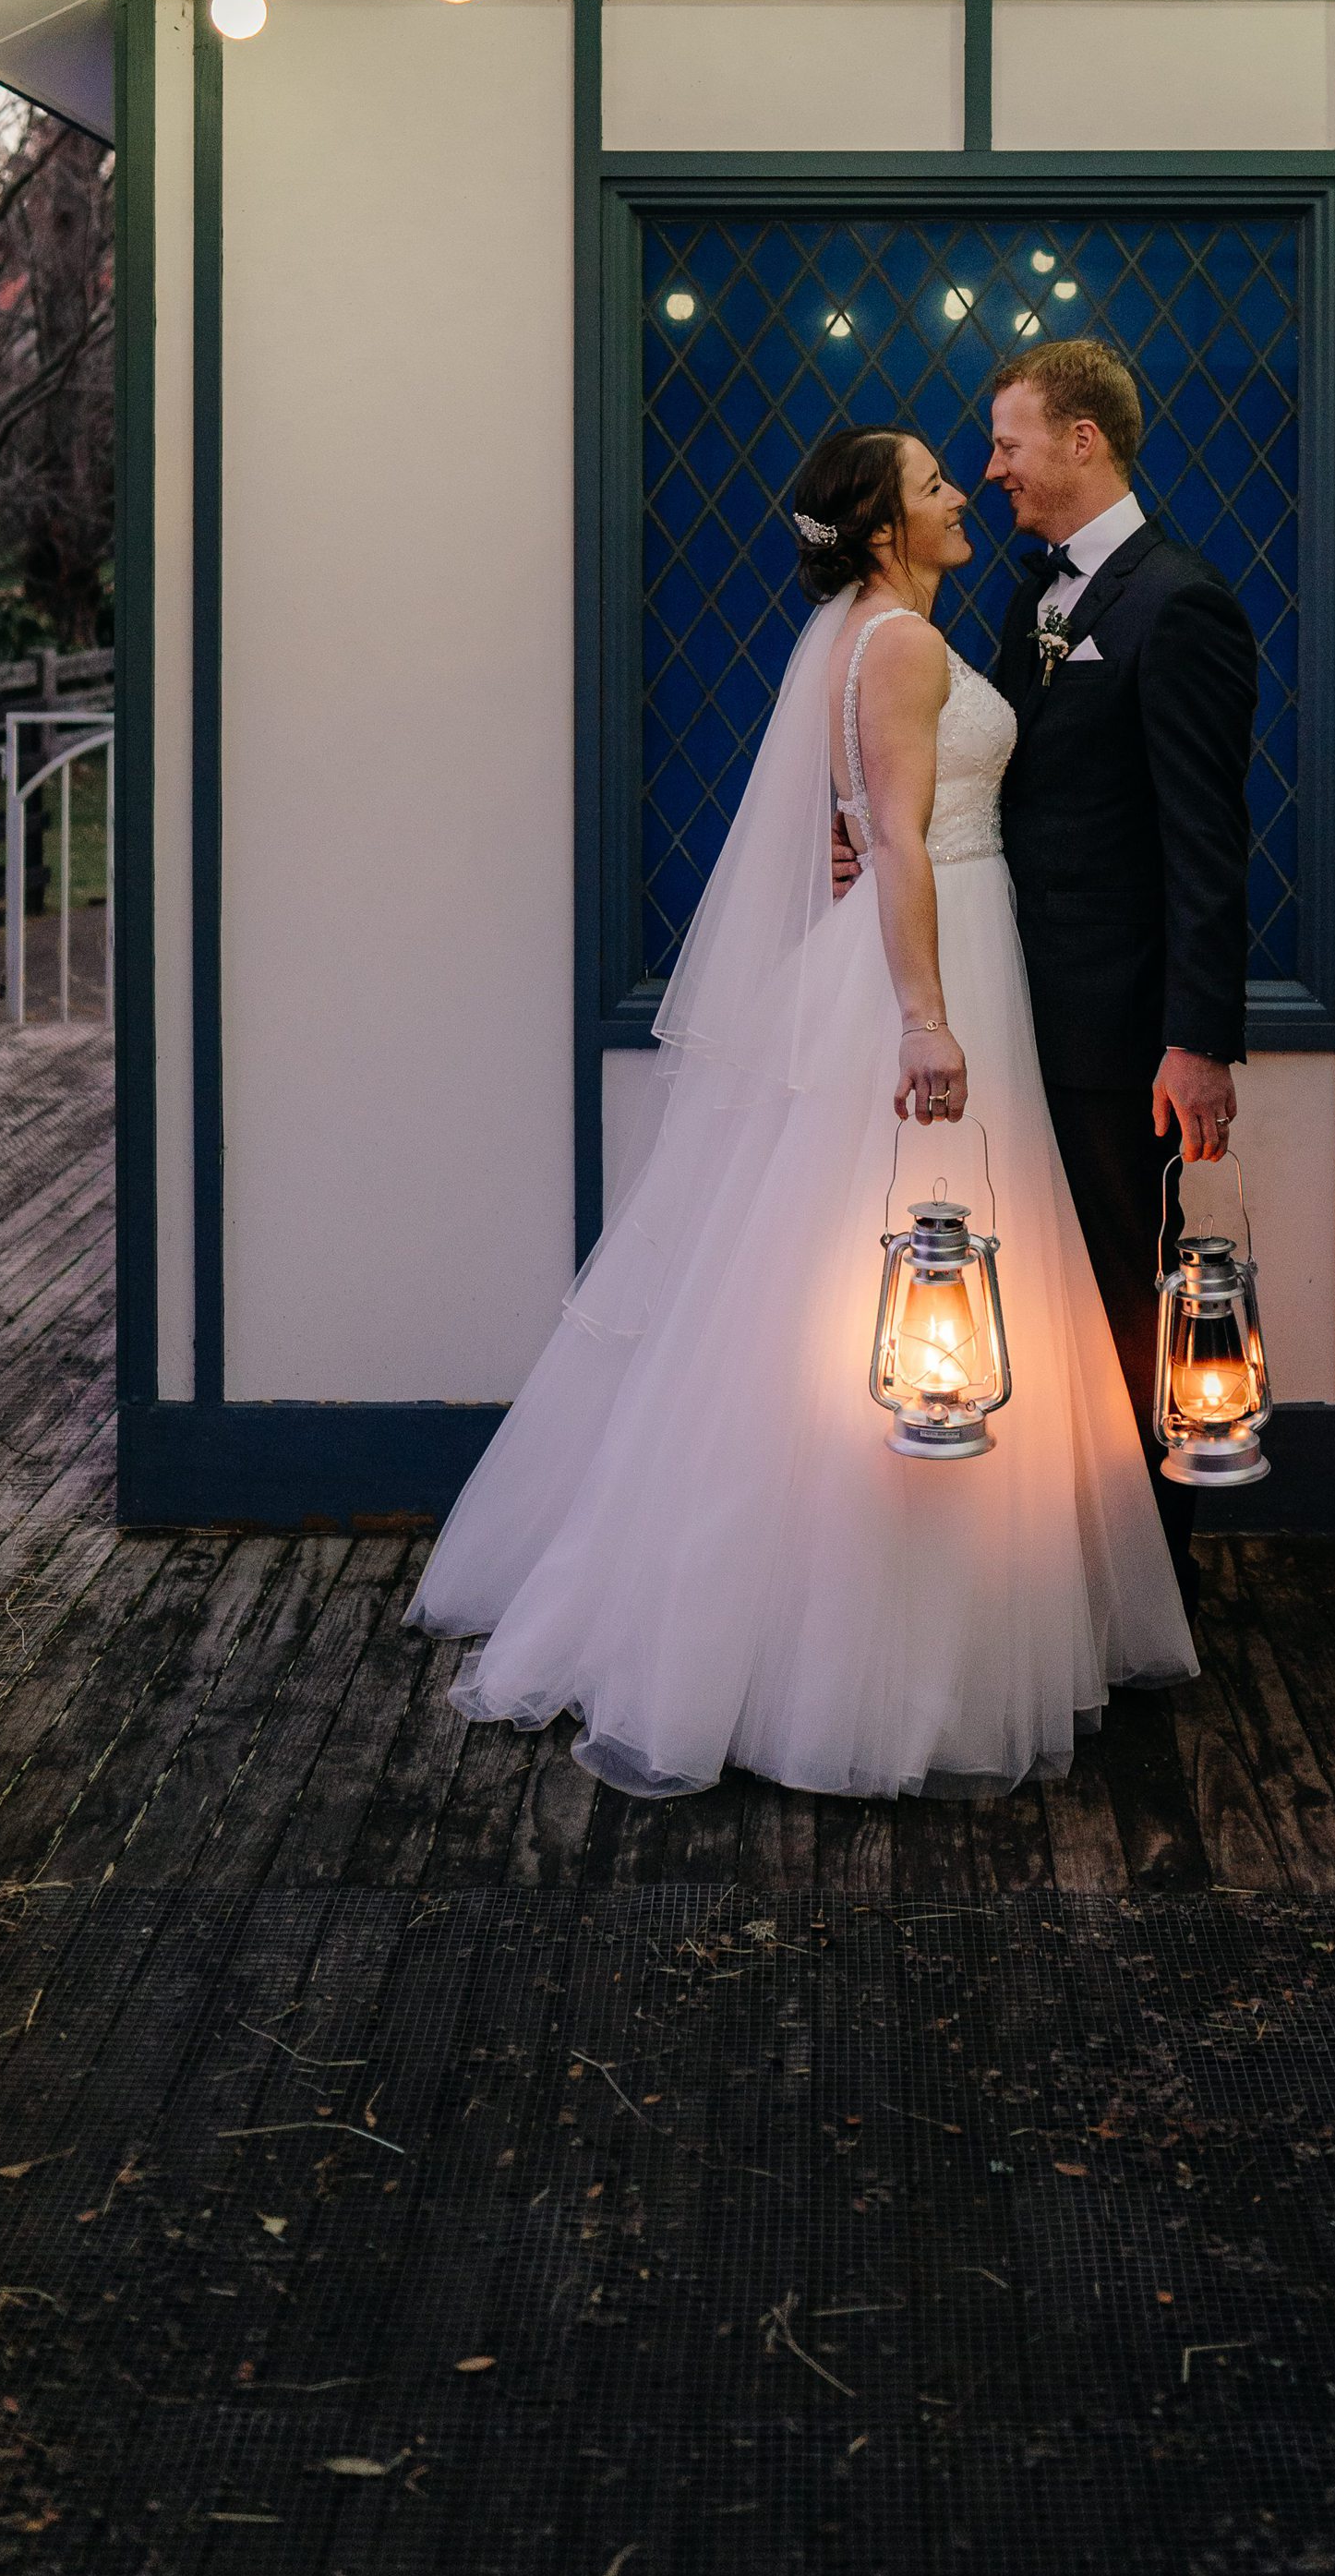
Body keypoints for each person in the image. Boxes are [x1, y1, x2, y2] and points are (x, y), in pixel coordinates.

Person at [407, 424, 1194, 1800]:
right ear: (886, 525)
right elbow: (895, 833)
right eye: (938, 484)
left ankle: (924, 1622)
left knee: (881, 1287)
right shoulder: (890, 644)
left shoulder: (882, 629)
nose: (964, 493)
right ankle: (875, 1653)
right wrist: (928, 1016)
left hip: (952, 948)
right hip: (935, 976)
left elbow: (878, 816)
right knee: (900, 1284)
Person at [979, 342, 1257, 1606]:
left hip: (1112, 1030)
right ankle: (1048, 1551)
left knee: (1120, 1292)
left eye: (1012, 443)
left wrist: (1196, 1037)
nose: (995, 470)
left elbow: (1207, 836)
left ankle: (1142, 1586)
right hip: (1011, 1005)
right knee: (1034, 1287)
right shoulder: (1030, 596)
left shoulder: (1178, 604)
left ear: (1083, 438)